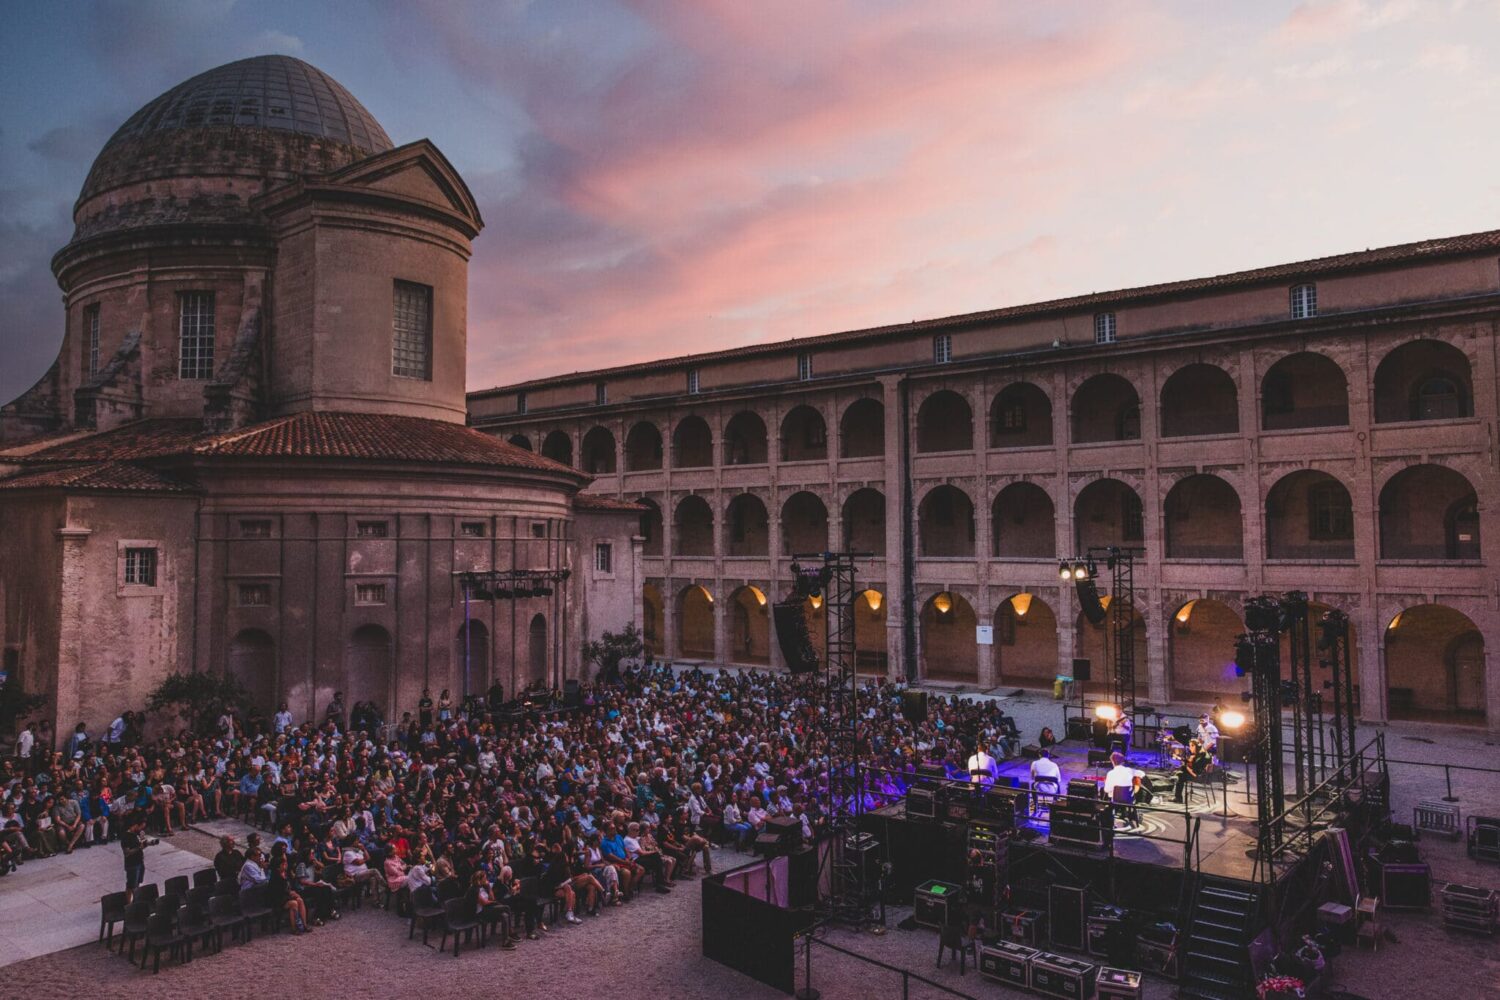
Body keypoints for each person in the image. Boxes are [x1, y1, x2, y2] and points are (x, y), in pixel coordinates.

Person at [1102, 752, 1144, 826]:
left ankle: (1109, 817)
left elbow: (1106, 790)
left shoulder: (1111, 773)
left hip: (1116, 800)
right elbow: (1142, 774)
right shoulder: (1129, 770)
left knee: (1106, 792)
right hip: (1129, 799)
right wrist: (1135, 778)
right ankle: (1125, 813)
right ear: (1122, 762)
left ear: (1112, 762)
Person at [120, 814, 156, 899]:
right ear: (135, 825)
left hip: (140, 862)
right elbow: (127, 852)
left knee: (137, 883)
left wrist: (147, 843)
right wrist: (140, 847)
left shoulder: (136, 834)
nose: (141, 829)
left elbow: (140, 844)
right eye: (141, 827)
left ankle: (136, 900)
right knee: (131, 886)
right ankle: (130, 903)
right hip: (132, 865)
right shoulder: (126, 837)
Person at [1173, 739, 1212, 804]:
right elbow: (1191, 763)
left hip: (1200, 778)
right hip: (1204, 776)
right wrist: (1179, 759)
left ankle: (1178, 798)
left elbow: (1195, 773)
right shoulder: (1203, 753)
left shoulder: (1201, 757)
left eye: (1191, 746)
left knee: (1181, 775)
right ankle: (1178, 796)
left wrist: (1186, 767)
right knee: (1181, 771)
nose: (1190, 748)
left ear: (1195, 746)